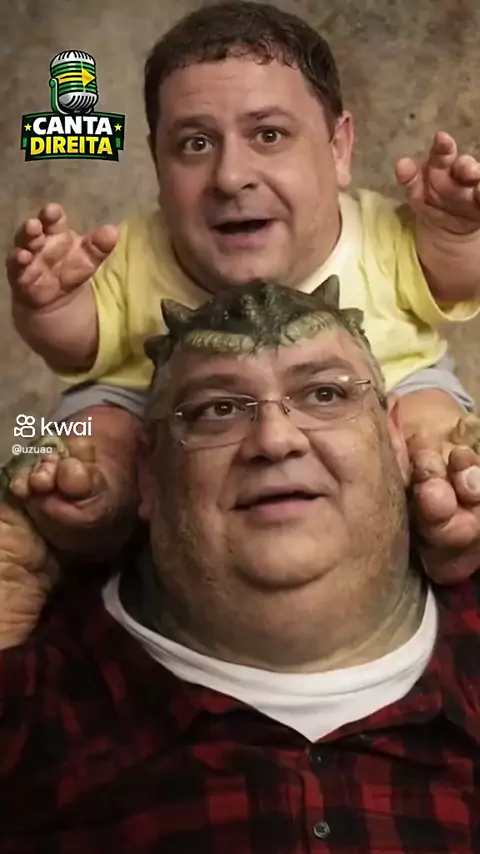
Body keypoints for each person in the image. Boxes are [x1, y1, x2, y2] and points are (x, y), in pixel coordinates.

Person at [4, 0, 480, 598]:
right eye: (195, 144)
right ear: (157, 163)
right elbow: (80, 347)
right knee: (90, 429)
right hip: (152, 402)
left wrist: (455, 236)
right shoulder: (125, 249)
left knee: (432, 421)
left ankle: (448, 511)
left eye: (269, 135)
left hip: (388, 384)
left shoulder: (382, 231)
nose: (230, 176)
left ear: (338, 148)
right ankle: (84, 512)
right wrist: (49, 307)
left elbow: (452, 283)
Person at [1, 279, 479, 853]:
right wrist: (32, 470)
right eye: (218, 409)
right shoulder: (34, 693)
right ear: (148, 471)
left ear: (397, 442)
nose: (275, 440)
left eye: (325, 394)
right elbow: (45, 434)